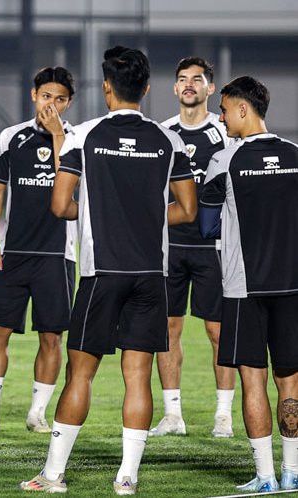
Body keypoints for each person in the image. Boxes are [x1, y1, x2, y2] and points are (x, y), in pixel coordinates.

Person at [20, 46, 197, 495]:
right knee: (137, 376)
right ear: (148, 88)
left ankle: (54, 474)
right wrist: (148, 217)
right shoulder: (167, 139)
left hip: (102, 275)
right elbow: (188, 209)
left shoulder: (84, 136)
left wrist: (97, 213)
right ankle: (127, 478)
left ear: (106, 87)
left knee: (81, 374)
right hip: (151, 275)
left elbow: (60, 205)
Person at [199, 76, 298, 493]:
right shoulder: (296, 155)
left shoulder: (224, 161)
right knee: (290, 381)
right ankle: (293, 471)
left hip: (244, 288)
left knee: (252, 380)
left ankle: (265, 476)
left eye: (224, 110)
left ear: (243, 109)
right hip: (293, 287)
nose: (220, 118)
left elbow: (206, 226)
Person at [0, 67, 77, 434]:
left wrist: (59, 134)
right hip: (14, 253)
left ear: (69, 102)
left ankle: (37, 413)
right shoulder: (10, 137)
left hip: (59, 255)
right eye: (47, 96)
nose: (52, 104)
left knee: (51, 336)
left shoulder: (76, 139)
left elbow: (73, 190)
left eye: (60, 98)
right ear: (34, 95)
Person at [150, 56, 236, 438]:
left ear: (210, 88)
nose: (189, 85)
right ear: (174, 88)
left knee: (218, 331)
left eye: (197, 79)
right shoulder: (162, 133)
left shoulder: (225, 132)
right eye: (182, 79)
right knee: (167, 329)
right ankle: (172, 415)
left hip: (213, 247)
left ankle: (223, 415)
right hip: (170, 246)